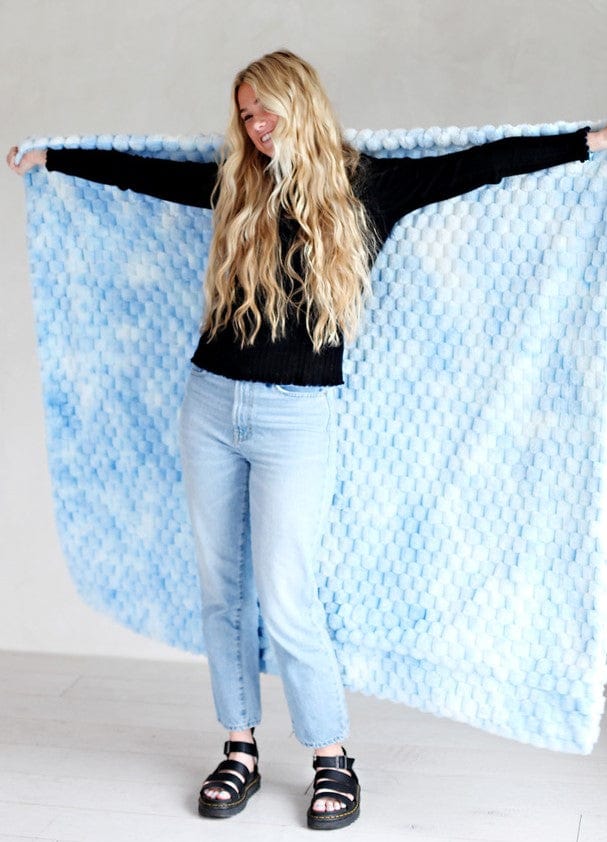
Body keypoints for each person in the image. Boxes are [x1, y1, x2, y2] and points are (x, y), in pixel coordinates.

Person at [7, 49, 607, 831]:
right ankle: (239, 747)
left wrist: (585, 142)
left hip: (297, 417)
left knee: (285, 596)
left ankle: (331, 756)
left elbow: (480, 164)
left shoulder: (368, 187)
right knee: (221, 591)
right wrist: (52, 158)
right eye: (246, 114)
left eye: (267, 111)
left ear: (301, 104)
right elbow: (142, 174)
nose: (256, 128)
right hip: (210, 404)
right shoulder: (236, 185)